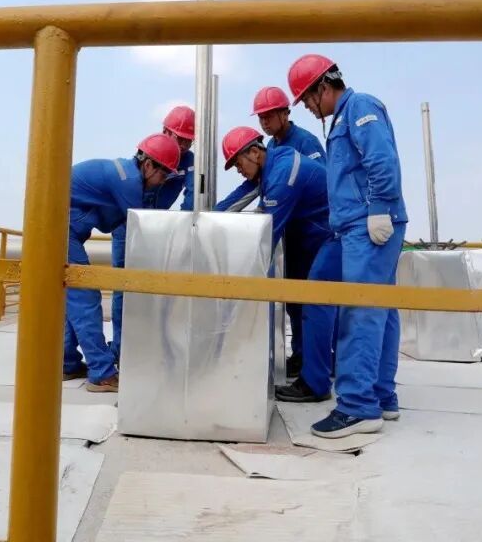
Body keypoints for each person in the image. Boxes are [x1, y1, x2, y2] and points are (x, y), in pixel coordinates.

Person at [287, 53, 408, 438]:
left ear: (324, 86)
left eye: (307, 99)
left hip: (369, 225)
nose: (307, 107)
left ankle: (358, 406)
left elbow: (381, 159)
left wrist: (380, 208)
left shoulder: (360, 106)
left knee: (361, 311)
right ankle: (382, 396)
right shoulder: (342, 118)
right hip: (350, 228)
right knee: (368, 304)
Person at [215, 126, 340, 404]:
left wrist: (237, 282)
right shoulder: (270, 164)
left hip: (331, 236)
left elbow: (266, 236)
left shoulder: (283, 174)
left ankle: (317, 382)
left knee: (316, 304)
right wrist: (207, 218)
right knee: (298, 304)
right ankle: (308, 364)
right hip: (309, 236)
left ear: (254, 152)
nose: (239, 170)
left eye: (238, 163)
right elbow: (241, 195)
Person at [67, 133, 182, 392]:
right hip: (57, 227)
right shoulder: (129, 182)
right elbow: (141, 230)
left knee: (72, 296)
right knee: (85, 296)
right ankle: (102, 374)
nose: (162, 182)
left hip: (64, 226)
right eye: (163, 175)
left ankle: (67, 363)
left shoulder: (126, 174)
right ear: (148, 165)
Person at [110, 105, 196, 365]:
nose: (183, 146)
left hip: (158, 228)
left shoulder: (189, 161)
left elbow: (192, 196)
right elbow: (131, 190)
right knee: (123, 286)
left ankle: (149, 345)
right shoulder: (151, 152)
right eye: (179, 138)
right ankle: (121, 349)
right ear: (165, 132)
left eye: (188, 140)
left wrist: (184, 226)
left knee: (154, 288)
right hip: (127, 224)